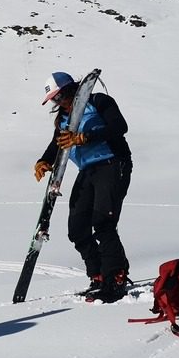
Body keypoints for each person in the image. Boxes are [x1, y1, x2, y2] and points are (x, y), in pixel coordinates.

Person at [34, 71, 133, 303]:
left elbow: (119, 126)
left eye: (59, 97)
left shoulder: (99, 102)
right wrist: (44, 160)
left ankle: (115, 276)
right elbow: (56, 143)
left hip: (112, 164)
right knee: (77, 228)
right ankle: (98, 276)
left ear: (71, 90)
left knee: (103, 222)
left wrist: (84, 137)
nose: (58, 103)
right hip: (87, 170)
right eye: (54, 101)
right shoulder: (64, 119)